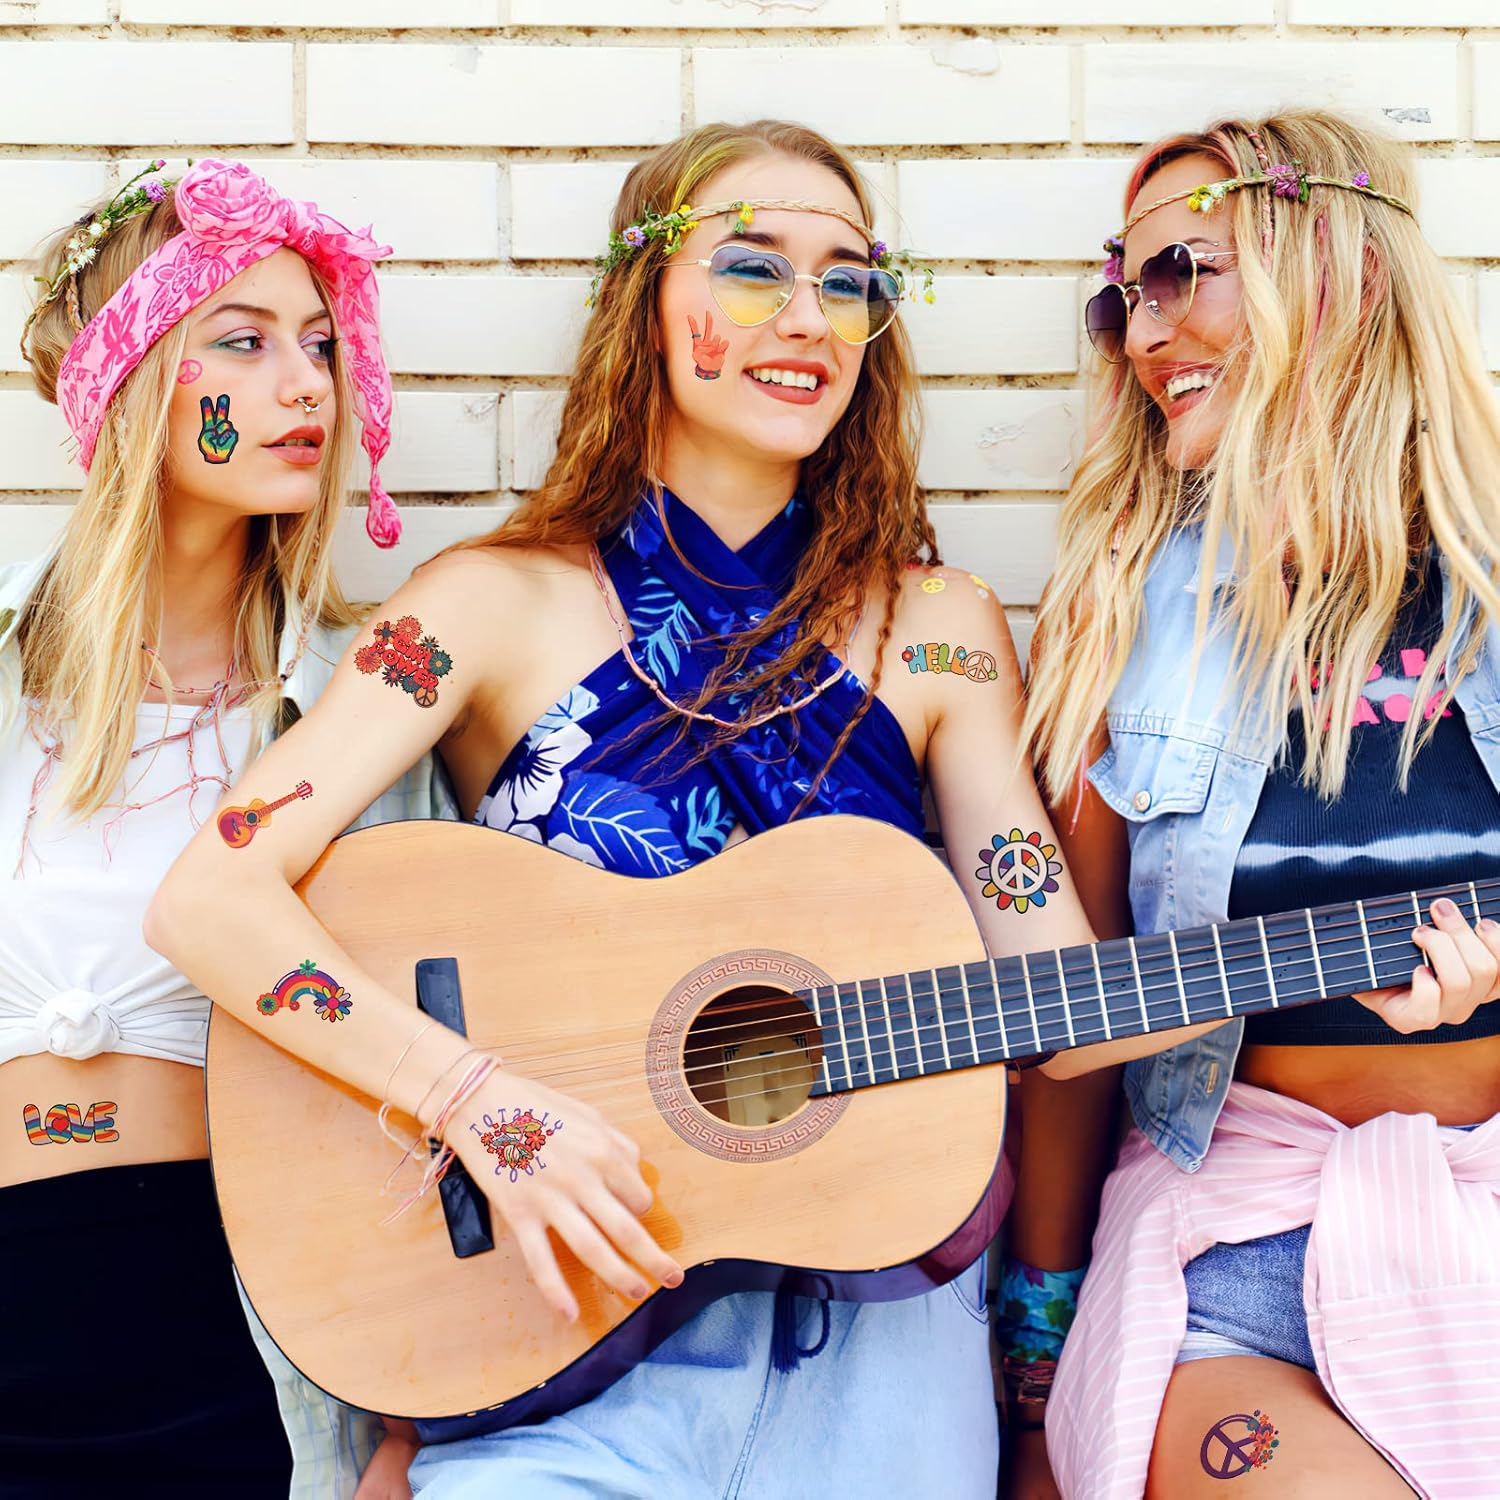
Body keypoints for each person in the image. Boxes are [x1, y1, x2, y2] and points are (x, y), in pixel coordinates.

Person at [147, 119, 1109, 1498]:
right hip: (551, 1325)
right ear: (643, 303)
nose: (809, 317)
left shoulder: (941, 631)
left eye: (849, 282)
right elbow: (211, 898)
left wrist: (1319, 975)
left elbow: (1060, 1005)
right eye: (754, 268)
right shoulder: (485, 604)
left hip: (887, 1356)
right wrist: (482, 1107)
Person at [1023, 110, 1500, 1497]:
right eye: (1123, 298)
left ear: (1338, 272)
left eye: (1183, 274)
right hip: (1230, 1248)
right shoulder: (1113, 612)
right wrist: (1035, 1359)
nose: (1143, 332)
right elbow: (1069, 1022)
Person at [0, 156, 446, 1498]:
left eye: (321, 344)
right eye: (243, 343)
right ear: (127, 376)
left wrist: (409, 1429)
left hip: (243, 1337)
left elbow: (430, 1047)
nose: (308, 387)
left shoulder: (359, 716)